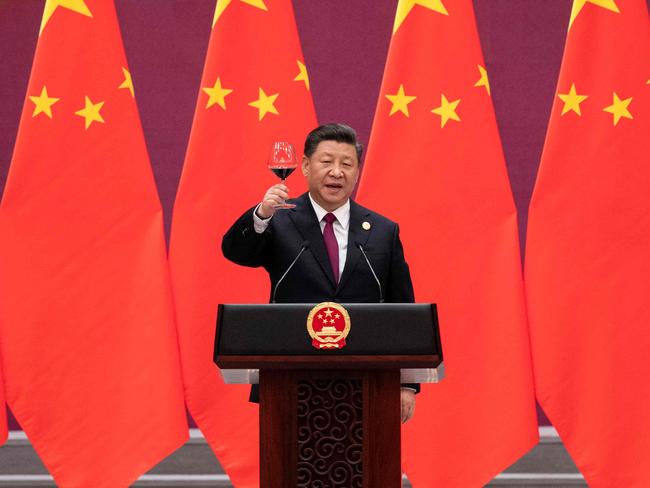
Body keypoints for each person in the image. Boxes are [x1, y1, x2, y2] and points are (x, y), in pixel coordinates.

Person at [222, 123, 417, 423]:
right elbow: (236, 252)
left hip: (367, 379)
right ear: (305, 165)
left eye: (347, 164)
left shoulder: (382, 231)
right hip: (289, 377)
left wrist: (407, 383)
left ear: (357, 171)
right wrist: (261, 215)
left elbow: (403, 309)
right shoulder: (279, 219)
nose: (337, 172)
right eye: (327, 162)